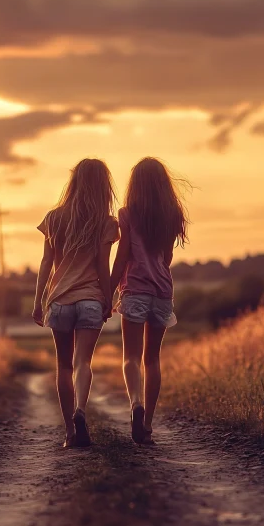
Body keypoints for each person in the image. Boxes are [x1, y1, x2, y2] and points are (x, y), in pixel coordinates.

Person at [33, 159, 119, 448]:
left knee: (63, 366)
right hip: (91, 300)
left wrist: (38, 301)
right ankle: (81, 410)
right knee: (83, 362)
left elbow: (46, 263)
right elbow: (102, 265)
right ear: (103, 186)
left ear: (74, 182)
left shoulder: (54, 218)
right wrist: (108, 300)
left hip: (59, 301)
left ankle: (70, 432)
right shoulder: (106, 222)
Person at [111, 157, 189, 445]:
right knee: (152, 359)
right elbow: (167, 259)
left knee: (130, 357)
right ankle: (146, 425)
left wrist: (108, 290)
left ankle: (135, 404)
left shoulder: (127, 214)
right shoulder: (172, 215)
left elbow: (122, 256)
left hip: (135, 288)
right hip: (163, 292)